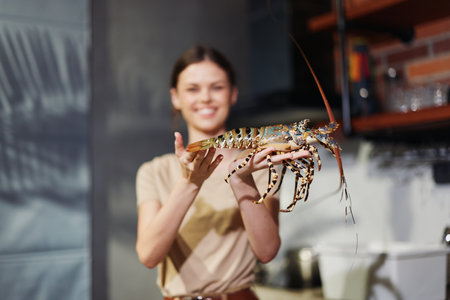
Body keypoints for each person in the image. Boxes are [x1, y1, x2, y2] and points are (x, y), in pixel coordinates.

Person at [135, 45, 309, 300]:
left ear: (233, 94)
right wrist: (189, 182)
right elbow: (149, 255)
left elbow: (267, 251)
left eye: (217, 87)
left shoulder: (259, 163)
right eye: (193, 89)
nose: (205, 98)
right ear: (175, 97)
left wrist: (241, 178)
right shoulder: (154, 172)